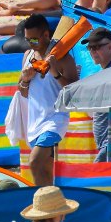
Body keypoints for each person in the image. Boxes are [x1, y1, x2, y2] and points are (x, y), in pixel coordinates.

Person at [18, 13, 79, 186]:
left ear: (46, 35)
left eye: (34, 40)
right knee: (45, 171)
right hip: (35, 122)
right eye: (27, 39)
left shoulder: (63, 58)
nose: (31, 44)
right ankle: (53, 206)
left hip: (55, 120)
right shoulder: (28, 55)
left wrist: (56, 74)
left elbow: (74, 93)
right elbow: (22, 92)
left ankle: (41, 205)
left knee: (34, 162)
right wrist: (25, 80)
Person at [81, 27, 111, 162]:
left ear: (110, 47)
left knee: (94, 180)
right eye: (90, 48)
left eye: (97, 47)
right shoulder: (108, 72)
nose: (92, 51)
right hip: (107, 144)